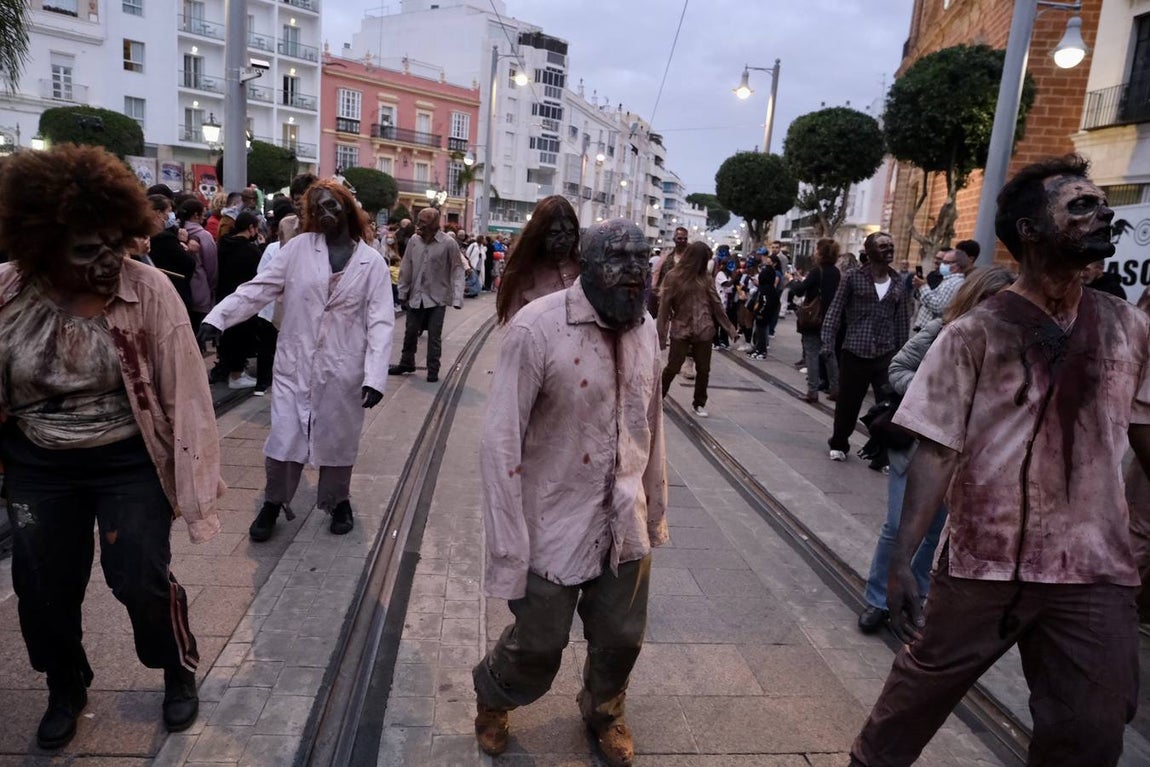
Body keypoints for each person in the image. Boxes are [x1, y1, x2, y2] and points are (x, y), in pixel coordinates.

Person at [849, 156, 1150, 767]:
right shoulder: (974, 334)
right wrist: (903, 560)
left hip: (1095, 571)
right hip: (985, 564)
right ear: (1031, 231)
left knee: (1092, 728)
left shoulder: (1127, 327)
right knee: (914, 702)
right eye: (1081, 206)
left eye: (1101, 203)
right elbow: (936, 450)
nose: (1103, 214)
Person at [0, 145, 224, 747]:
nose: (108, 261)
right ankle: (65, 683)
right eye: (85, 249)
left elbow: (187, 395)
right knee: (40, 582)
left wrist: (196, 488)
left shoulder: (147, 290)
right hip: (38, 462)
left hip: (128, 458)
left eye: (115, 244)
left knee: (139, 577)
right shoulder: (8, 291)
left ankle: (176, 667)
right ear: (44, 242)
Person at [473, 219, 666, 767]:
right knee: (538, 641)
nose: (634, 271)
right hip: (552, 518)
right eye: (618, 259)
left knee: (622, 635)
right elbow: (500, 439)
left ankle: (604, 709)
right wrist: (508, 541)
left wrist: (653, 508)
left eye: (641, 259)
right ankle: (493, 698)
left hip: (624, 515)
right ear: (586, 263)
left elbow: (650, 423)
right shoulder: (536, 328)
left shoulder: (646, 327)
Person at [199, 181, 394, 540]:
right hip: (295, 363)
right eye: (318, 209)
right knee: (285, 435)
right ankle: (273, 502)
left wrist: (375, 376)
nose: (326, 214)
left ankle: (338, 501)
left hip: (343, 367)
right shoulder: (300, 249)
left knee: (337, 438)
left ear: (348, 209)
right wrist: (218, 317)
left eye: (333, 206)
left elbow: (381, 322)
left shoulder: (373, 263)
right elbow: (258, 289)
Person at [856, 266, 1016, 634]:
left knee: (935, 535)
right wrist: (938, 392)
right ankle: (878, 598)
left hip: (965, 457)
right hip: (915, 447)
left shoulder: (1014, 346)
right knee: (898, 526)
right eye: (993, 301)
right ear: (976, 299)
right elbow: (897, 369)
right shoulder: (944, 331)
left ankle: (916, 596)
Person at [821, 231, 911, 462]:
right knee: (847, 404)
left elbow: (902, 321)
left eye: (891, 245)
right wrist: (828, 342)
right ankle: (839, 443)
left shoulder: (899, 282)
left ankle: (880, 453)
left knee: (887, 405)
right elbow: (835, 311)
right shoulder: (852, 277)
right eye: (883, 246)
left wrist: (904, 357)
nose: (889, 249)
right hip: (855, 351)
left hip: (886, 353)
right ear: (870, 252)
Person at [658, 242, 738, 417]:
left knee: (703, 369)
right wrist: (661, 336)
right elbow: (664, 308)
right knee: (673, 366)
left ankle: (699, 403)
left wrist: (730, 329)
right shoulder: (673, 277)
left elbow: (716, 304)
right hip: (681, 328)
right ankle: (658, 398)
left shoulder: (706, 278)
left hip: (704, 329)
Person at [388, 207, 464, 383]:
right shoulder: (415, 240)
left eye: (423, 222)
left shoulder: (448, 243)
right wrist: (403, 291)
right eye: (418, 220)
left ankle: (433, 369)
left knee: (434, 336)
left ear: (433, 223)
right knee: (410, 331)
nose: (418, 225)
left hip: (437, 297)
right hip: (416, 295)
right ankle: (406, 363)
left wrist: (457, 297)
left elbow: (457, 269)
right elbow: (407, 266)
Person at [494, 195, 580, 324]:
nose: (563, 241)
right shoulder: (522, 274)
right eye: (554, 233)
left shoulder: (584, 269)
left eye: (569, 233)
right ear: (539, 234)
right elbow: (515, 328)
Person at [791, 238, 842, 403]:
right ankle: (836, 388)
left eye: (816, 249)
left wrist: (794, 281)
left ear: (821, 253)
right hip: (831, 319)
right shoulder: (836, 272)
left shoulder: (816, 271)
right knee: (829, 354)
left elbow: (799, 291)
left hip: (814, 320)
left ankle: (812, 391)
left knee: (812, 354)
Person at [146, 194, 196, 317]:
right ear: (159, 213)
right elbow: (189, 264)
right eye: (169, 211)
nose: (172, 215)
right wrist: (184, 246)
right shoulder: (165, 239)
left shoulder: (147, 235)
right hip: (173, 294)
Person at [176, 199, 219, 336]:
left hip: (178, 289)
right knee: (196, 334)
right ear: (196, 215)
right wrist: (211, 288)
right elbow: (211, 267)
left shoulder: (174, 231)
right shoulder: (204, 236)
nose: (205, 216)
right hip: (199, 291)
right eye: (203, 213)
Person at [910, 247, 970, 332]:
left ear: (956, 266)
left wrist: (923, 286)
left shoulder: (952, 283)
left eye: (945, 262)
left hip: (931, 332)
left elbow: (938, 306)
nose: (941, 265)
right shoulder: (948, 280)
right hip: (926, 329)